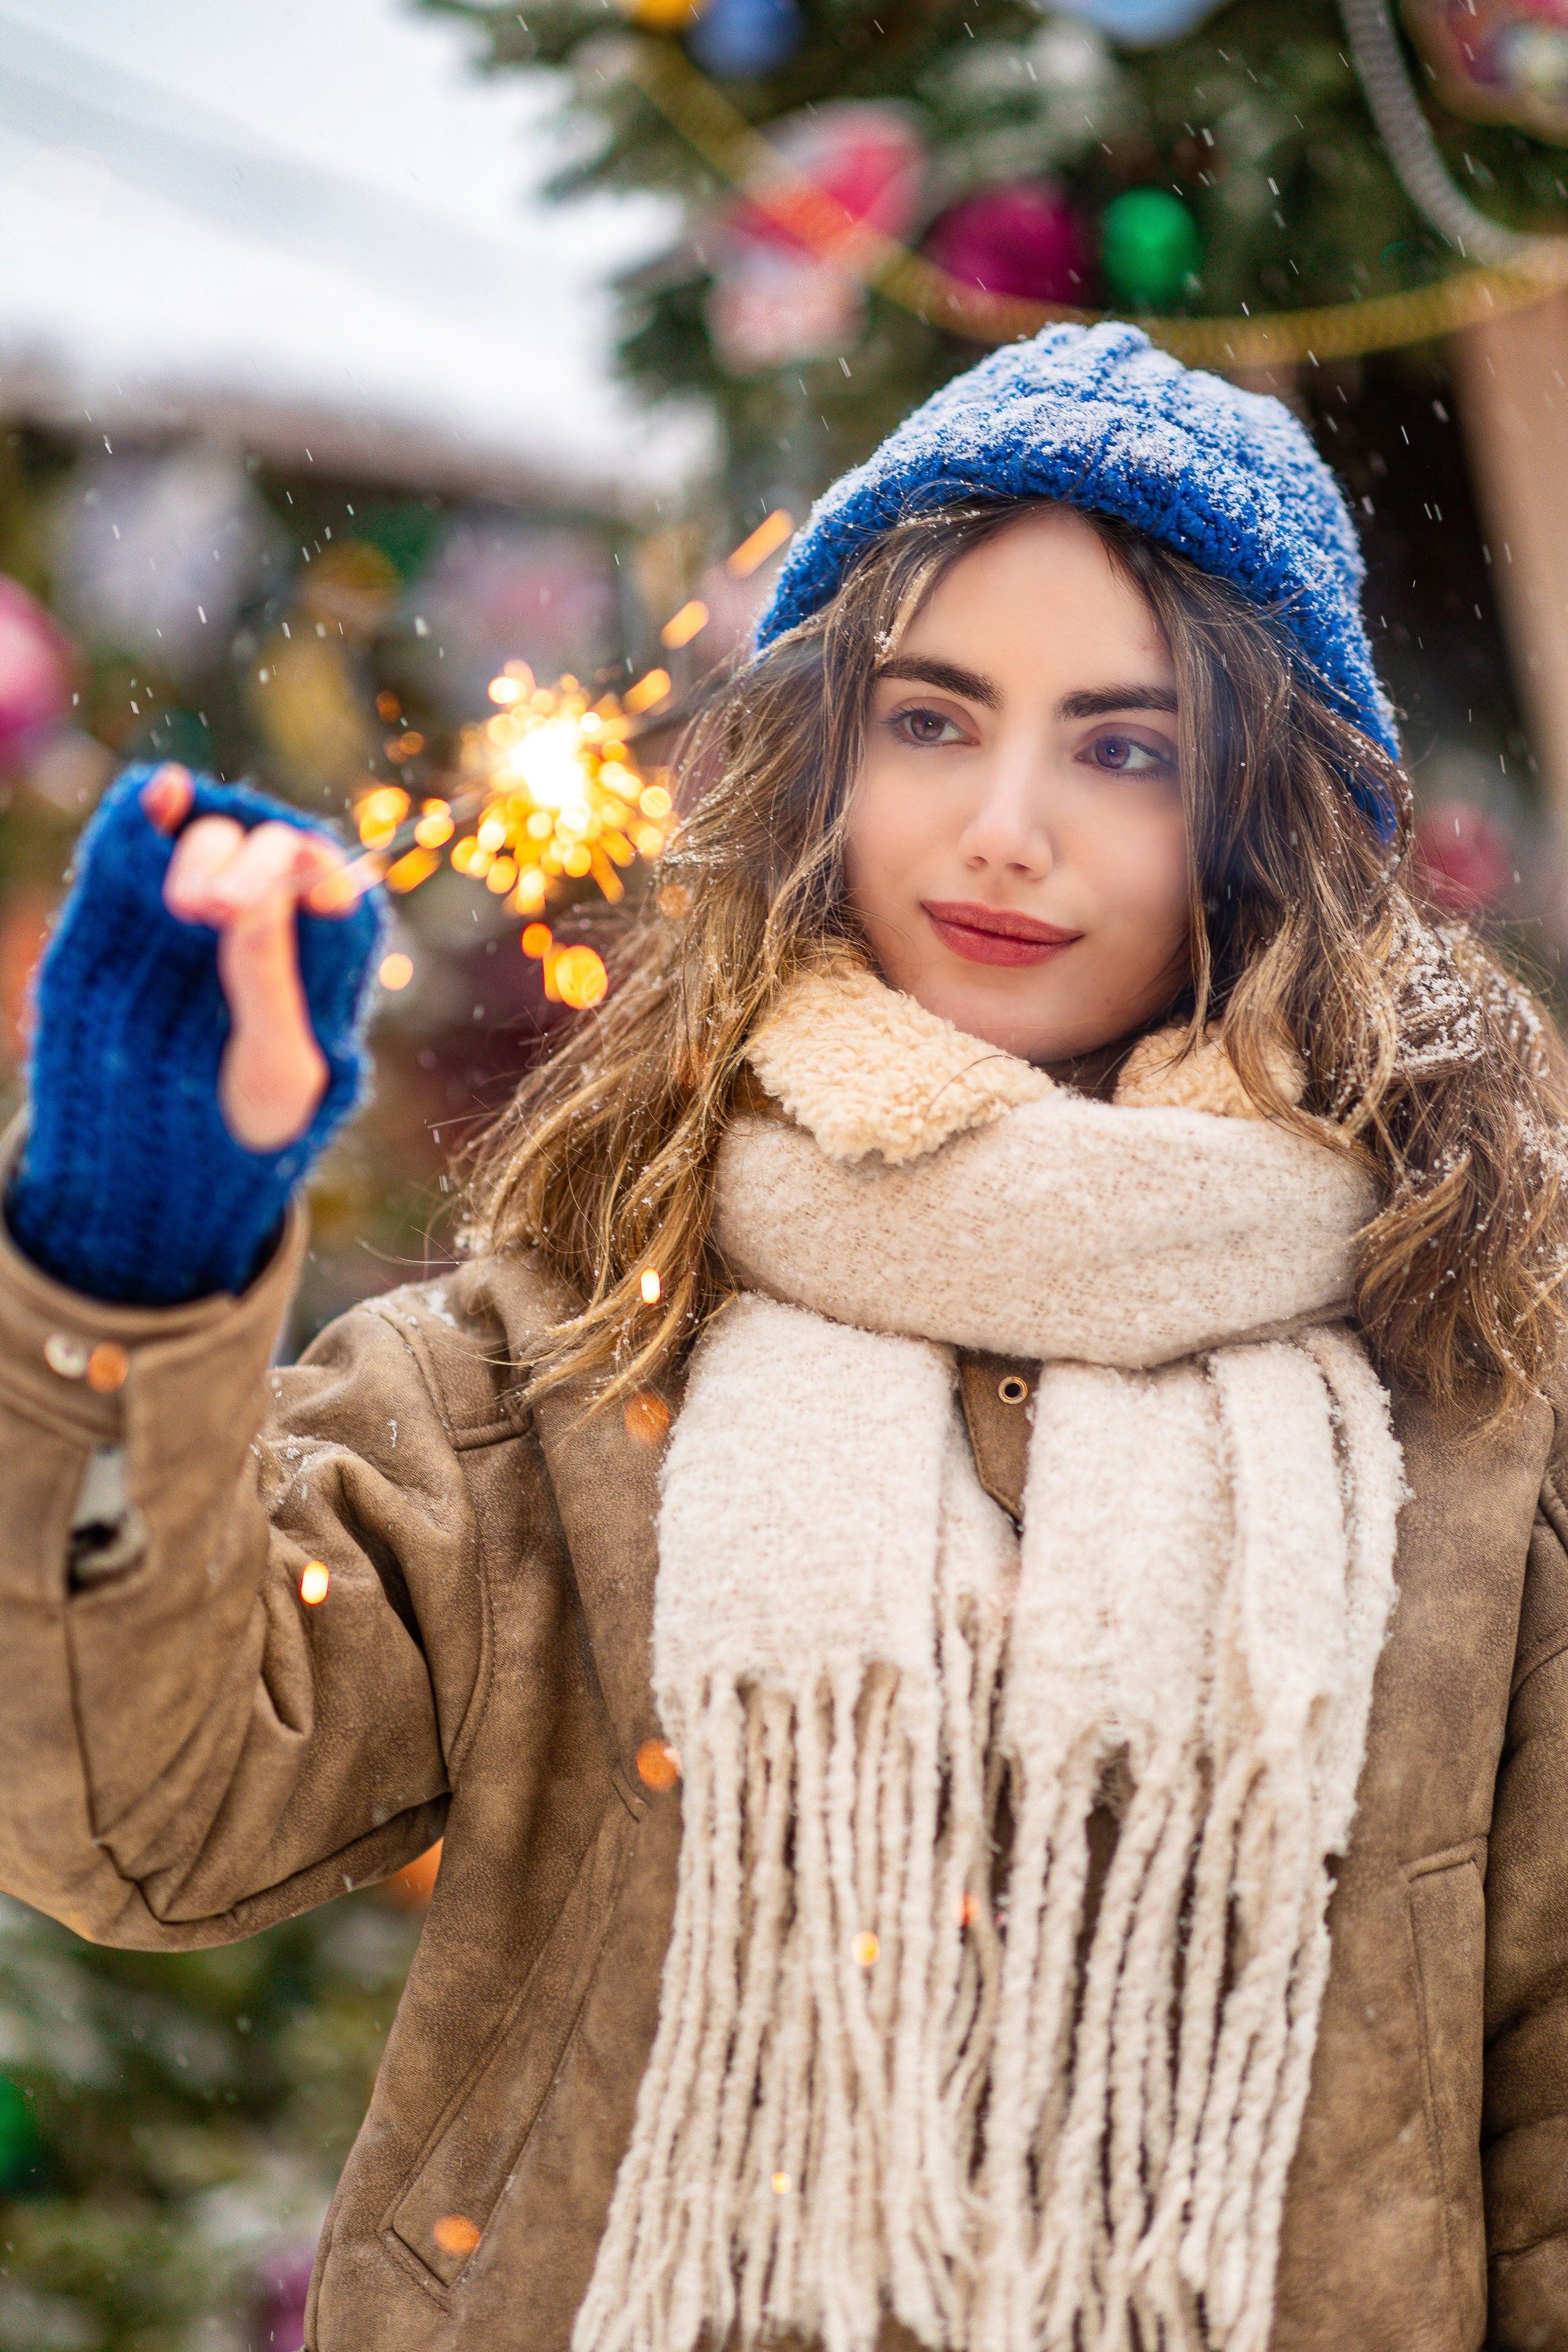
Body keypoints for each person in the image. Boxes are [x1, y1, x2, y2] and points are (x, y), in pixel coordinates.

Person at [0, 322, 1564, 2352]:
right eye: (934, 721)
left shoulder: (1461, 1423)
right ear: (825, 761)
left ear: (1269, 818)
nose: (1007, 826)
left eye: (1125, 746)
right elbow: (146, 1807)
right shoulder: (575, 1350)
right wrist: (129, 1274)